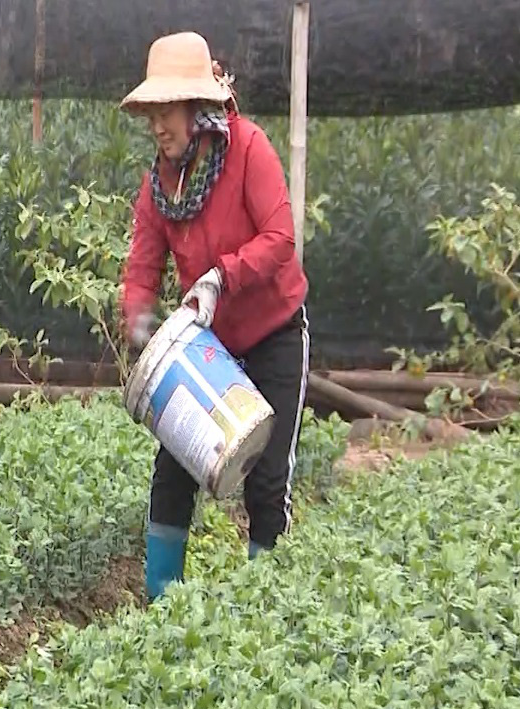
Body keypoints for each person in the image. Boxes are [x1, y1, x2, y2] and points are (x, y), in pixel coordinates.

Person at [117, 32, 310, 602]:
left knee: (268, 479)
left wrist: (220, 276)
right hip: (210, 351)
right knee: (173, 471)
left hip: (273, 334)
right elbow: (142, 269)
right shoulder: (159, 187)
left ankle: (264, 614)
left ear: (198, 108)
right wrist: (140, 325)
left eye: (167, 111)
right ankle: (162, 607)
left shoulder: (248, 149)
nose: (158, 126)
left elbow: (280, 238)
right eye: (151, 114)